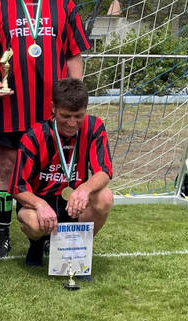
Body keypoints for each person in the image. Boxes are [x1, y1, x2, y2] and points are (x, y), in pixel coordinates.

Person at [0, 0, 89, 258]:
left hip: (52, 110)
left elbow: (74, 54)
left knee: (51, 169)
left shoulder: (63, 5)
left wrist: (74, 92)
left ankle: (47, 233)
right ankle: (1, 233)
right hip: (13, 105)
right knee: (8, 168)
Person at [10, 78, 113, 271]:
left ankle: (77, 251)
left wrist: (84, 189)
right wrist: (40, 205)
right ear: (53, 108)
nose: (72, 123)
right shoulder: (34, 135)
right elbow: (17, 187)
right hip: (41, 203)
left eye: (78, 116)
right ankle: (37, 243)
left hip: (75, 202)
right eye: (66, 116)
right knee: (34, 222)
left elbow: (105, 171)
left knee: (105, 197)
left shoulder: (94, 127)